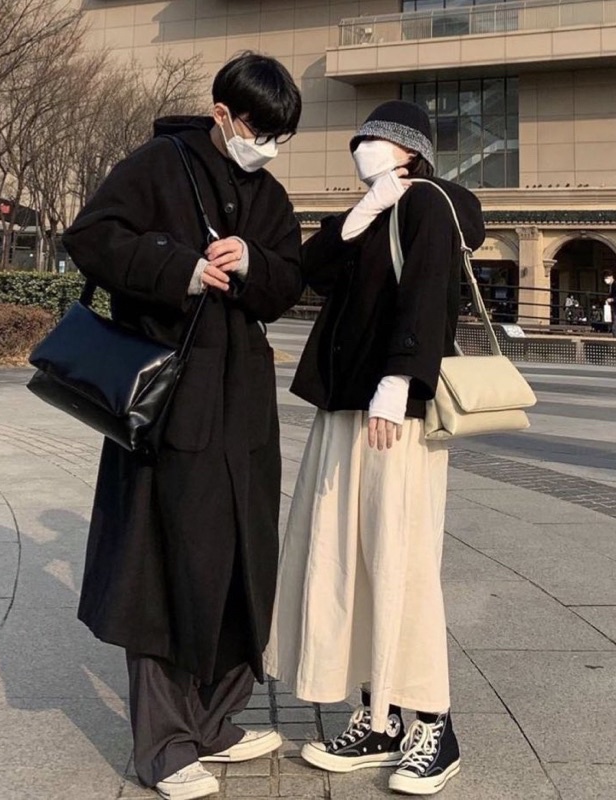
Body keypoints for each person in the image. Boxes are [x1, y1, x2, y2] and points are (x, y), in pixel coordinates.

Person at [61, 53, 302, 800]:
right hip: (169, 400)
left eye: (281, 137)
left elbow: (289, 282)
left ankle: (215, 721)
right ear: (223, 114)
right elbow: (91, 236)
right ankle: (164, 745)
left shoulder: (270, 193)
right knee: (164, 566)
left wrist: (254, 263)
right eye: (260, 130)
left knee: (241, 562)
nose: (267, 147)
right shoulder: (159, 162)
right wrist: (182, 268)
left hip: (244, 407)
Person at [264, 101, 485, 796]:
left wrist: (398, 383)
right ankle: (380, 714)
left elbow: (428, 295)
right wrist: (359, 215)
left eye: (377, 139)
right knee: (349, 557)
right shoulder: (376, 207)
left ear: (410, 151)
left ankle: (435, 725)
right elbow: (310, 272)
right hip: (344, 406)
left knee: (398, 558)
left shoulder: (429, 204)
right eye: (359, 138)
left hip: (393, 409)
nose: (362, 146)